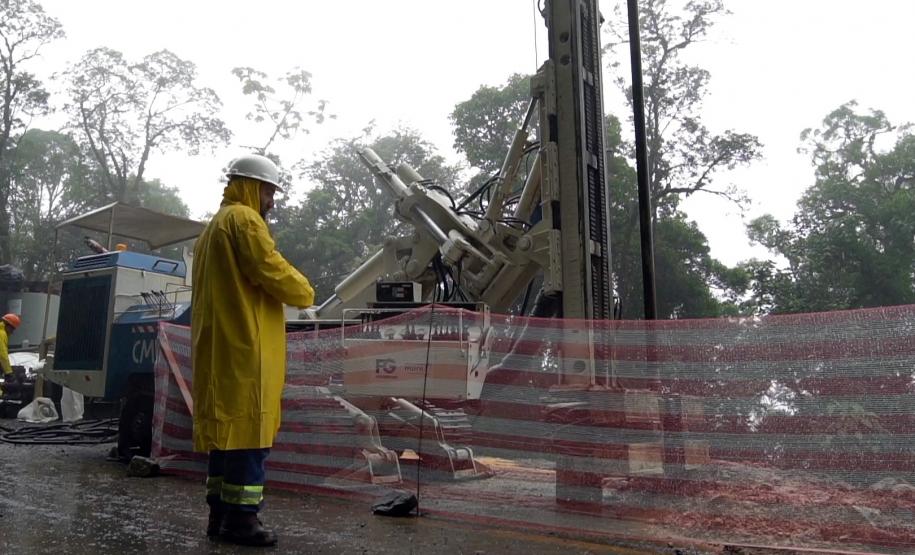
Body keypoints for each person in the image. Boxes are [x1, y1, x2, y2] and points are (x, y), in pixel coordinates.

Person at [192, 153, 315, 547]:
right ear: (250, 186)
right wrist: (305, 291)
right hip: (246, 346)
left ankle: (219, 515)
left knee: (226, 436)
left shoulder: (212, 228)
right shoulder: (244, 220)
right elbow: (269, 267)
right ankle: (243, 520)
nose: (271, 202)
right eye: (269, 192)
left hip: (220, 348)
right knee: (250, 432)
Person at [0, 313, 21, 396]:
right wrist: (9, 373)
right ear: (8, 326)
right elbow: (2, 355)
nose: (12, 332)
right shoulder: (2, 334)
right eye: (13, 329)